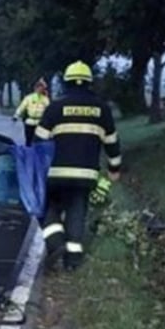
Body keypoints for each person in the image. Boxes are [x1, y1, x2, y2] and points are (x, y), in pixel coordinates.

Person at [32, 60, 123, 271]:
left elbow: (38, 141)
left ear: (66, 83)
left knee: (46, 207)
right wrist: (114, 170)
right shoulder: (102, 109)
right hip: (86, 174)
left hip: (55, 173)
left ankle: (55, 242)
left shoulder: (55, 107)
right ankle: (73, 261)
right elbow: (112, 142)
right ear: (89, 83)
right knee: (77, 211)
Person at [13, 78, 50, 146]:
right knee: (28, 140)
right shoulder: (29, 98)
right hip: (29, 122)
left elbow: (49, 109)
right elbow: (22, 107)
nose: (40, 90)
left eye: (41, 88)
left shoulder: (45, 99)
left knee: (38, 140)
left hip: (40, 122)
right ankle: (29, 152)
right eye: (38, 88)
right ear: (35, 88)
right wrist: (16, 115)